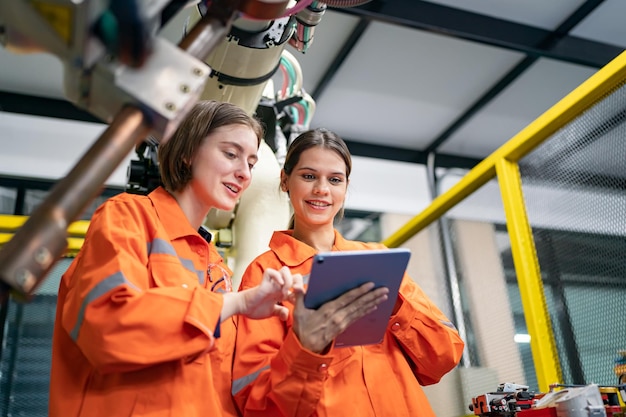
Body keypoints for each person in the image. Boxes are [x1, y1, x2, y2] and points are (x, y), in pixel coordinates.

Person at [48, 100, 303, 417]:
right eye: (230, 154)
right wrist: (236, 304)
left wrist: (308, 339)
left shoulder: (216, 269)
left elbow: (224, 391)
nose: (243, 173)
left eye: (251, 163)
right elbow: (108, 328)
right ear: (188, 152)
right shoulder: (128, 217)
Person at [232, 128, 465, 417]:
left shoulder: (378, 258)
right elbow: (255, 400)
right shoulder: (265, 274)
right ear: (284, 180)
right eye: (308, 176)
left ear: (345, 187)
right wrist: (306, 347)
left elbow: (443, 358)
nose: (322, 189)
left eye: (334, 180)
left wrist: (397, 306)